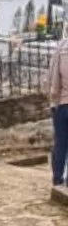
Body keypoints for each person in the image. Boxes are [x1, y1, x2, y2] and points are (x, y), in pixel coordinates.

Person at [49, 31, 68, 188]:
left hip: (62, 104)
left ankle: (57, 177)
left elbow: (53, 80)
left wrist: (53, 101)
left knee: (60, 143)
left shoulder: (61, 49)